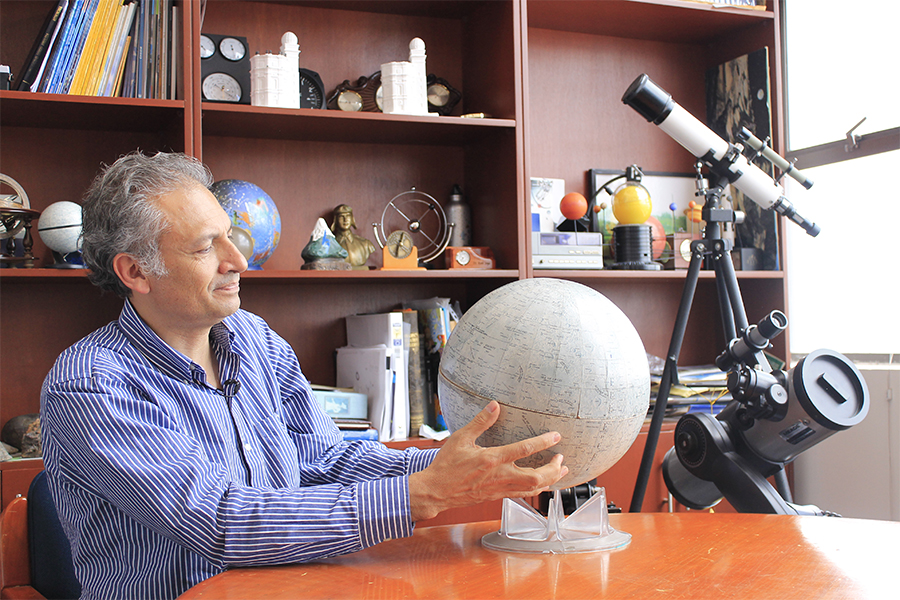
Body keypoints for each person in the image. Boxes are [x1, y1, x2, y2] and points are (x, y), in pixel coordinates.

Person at [40, 151, 568, 599]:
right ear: (135, 271)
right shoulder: (92, 383)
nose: (238, 260)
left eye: (230, 236)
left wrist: (459, 462)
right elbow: (219, 521)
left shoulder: (255, 338)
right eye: (205, 247)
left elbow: (325, 461)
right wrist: (421, 493)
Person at [330, 203, 376, 268]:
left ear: (352, 218)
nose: (345, 220)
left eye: (348, 216)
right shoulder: (329, 245)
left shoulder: (365, 244)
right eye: (341, 216)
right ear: (335, 220)